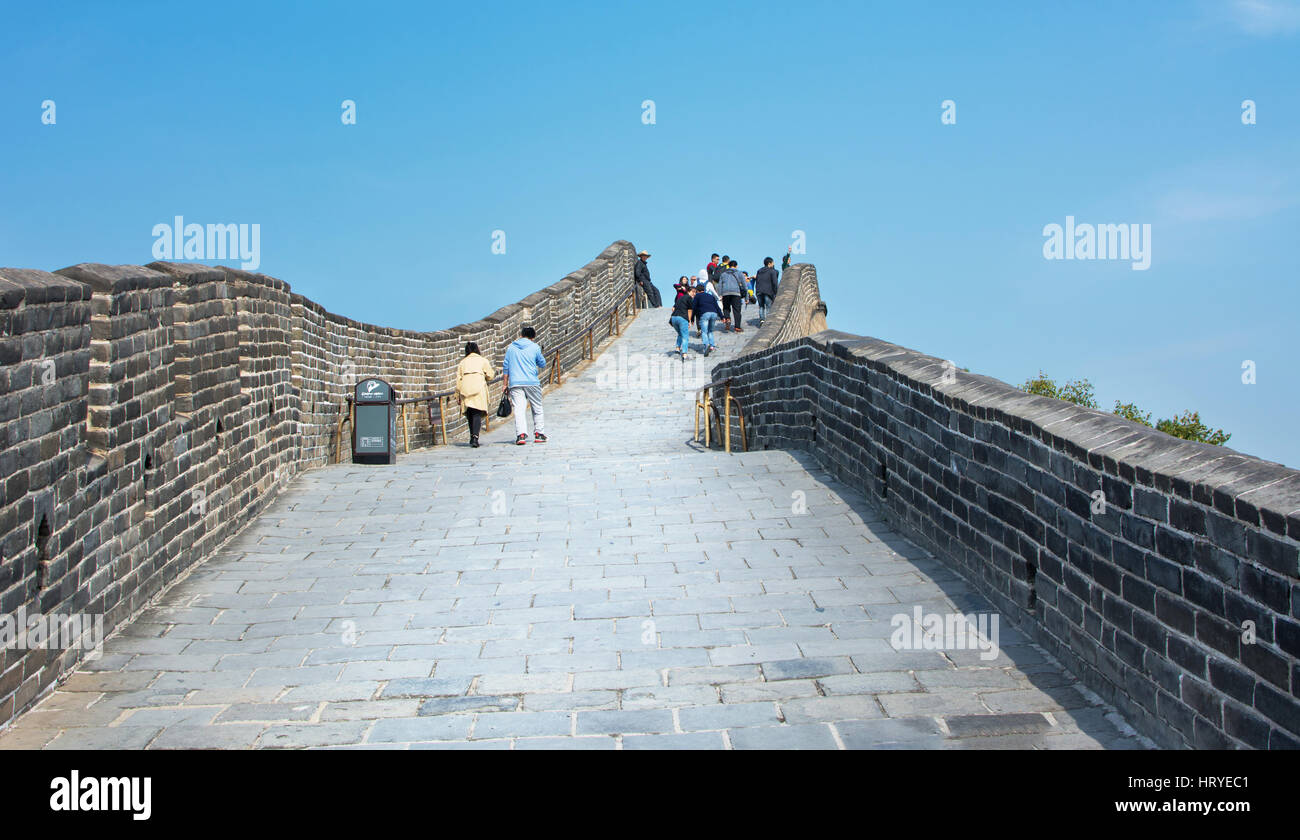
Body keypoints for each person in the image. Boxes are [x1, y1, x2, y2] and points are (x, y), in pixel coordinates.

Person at [503, 326, 548, 445]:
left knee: (519, 409)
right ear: (533, 337)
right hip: (532, 382)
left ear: (521, 335)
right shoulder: (535, 347)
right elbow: (542, 363)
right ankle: (539, 433)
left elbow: (506, 368)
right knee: (537, 407)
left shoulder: (511, 348)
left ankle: (521, 435)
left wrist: (504, 385)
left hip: (515, 383)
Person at [455, 342, 495, 448]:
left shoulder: (462, 363)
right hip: (479, 389)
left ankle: (472, 435)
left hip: (465, 390)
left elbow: (458, 380)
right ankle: (475, 437)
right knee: (477, 413)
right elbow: (491, 375)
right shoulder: (483, 361)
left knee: (470, 413)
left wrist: (457, 395)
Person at [693, 280, 723, 356]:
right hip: (714, 314)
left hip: (705, 314)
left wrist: (692, 318)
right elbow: (717, 307)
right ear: (704, 289)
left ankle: (706, 346)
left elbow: (694, 307)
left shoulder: (697, 296)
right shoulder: (710, 296)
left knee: (704, 331)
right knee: (710, 331)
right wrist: (722, 317)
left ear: (697, 290)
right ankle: (712, 346)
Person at [717, 259, 746, 332]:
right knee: (737, 310)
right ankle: (737, 327)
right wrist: (747, 297)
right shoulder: (739, 273)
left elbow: (719, 285)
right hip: (736, 293)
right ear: (736, 266)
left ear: (728, 266)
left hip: (725, 293)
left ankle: (727, 318)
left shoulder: (723, 274)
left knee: (726, 308)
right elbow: (745, 285)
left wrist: (720, 294)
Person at [669, 279, 694, 359]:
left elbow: (673, 308)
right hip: (682, 318)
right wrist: (689, 321)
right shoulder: (689, 298)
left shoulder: (680, 298)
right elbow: (690, 310)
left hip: (673, 318)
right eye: (693, 292)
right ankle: (684, 353)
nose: (694, 294)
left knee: (680, 333)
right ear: (689, 292)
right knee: (685, 336)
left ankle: (677, 348)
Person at [754, 256, 780, 326]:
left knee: (761, 306)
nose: (773, 264)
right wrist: (776, 292)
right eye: (772, 263)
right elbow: (775, 283)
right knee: (768, 307)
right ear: (769, 263)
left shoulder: (759, 271)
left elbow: (757, 281)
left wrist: (756, 291)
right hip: (768, 291)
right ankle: (768, 322)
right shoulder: (772, 271)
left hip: (759, 291)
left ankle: (762, 320)